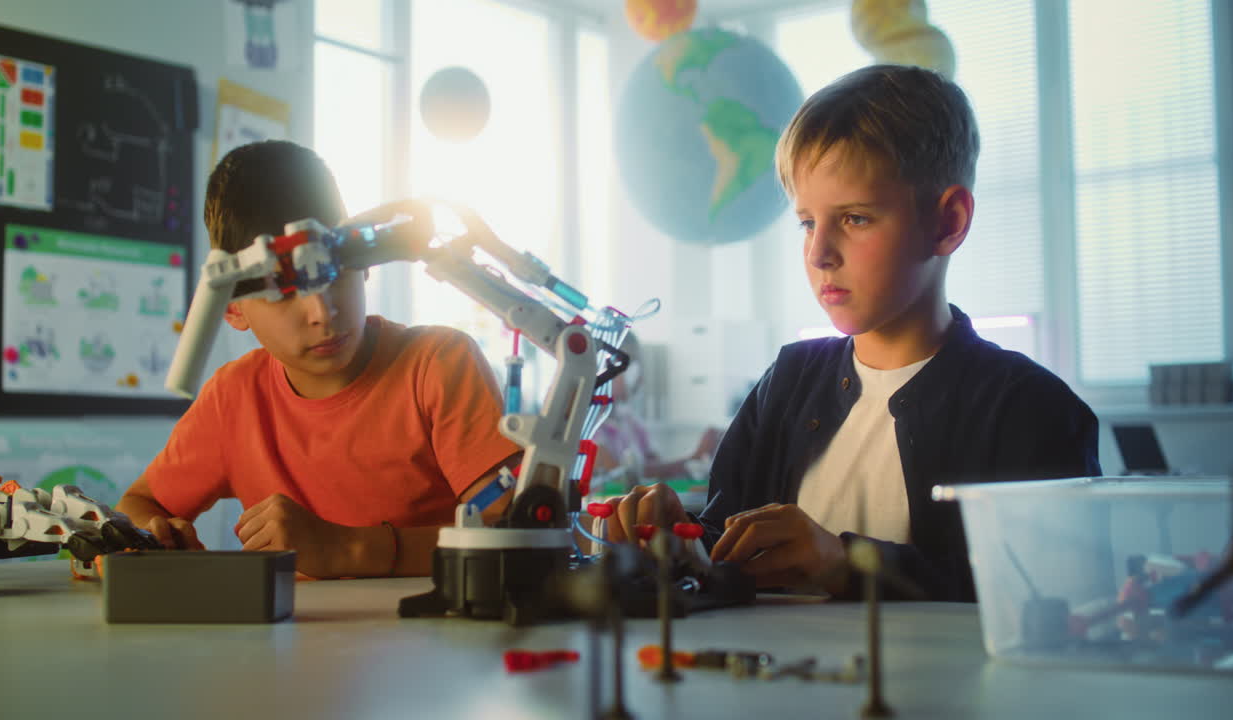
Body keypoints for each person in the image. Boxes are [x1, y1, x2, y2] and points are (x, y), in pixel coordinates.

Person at [602, 65, 1100, 602]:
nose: (818, 254)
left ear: (948, 222)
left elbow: (1054, 607)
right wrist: (681, 546)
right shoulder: (787, 382)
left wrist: (852, 568)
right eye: (807, 222)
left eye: (856, 218)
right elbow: (727, 557)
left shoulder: (1033, 410)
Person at [117, 140, 521, 579]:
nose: (321, 312)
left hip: (432, 640)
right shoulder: (232, 398)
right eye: (283, 292)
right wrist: (155, 536)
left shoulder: (438, 366)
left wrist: (350, 549)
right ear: (232, 307)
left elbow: (514, 538)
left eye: (336, 271)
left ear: (365, 260)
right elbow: (138, 505)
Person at [593, 331, 721, 481]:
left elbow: (656, 469)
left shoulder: (630, 422)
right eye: (628, 362)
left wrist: (698, 459)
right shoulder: (589, 427)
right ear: (602, 365)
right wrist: (694, 457)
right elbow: (620, 477)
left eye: (636, 362)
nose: (636, 371)